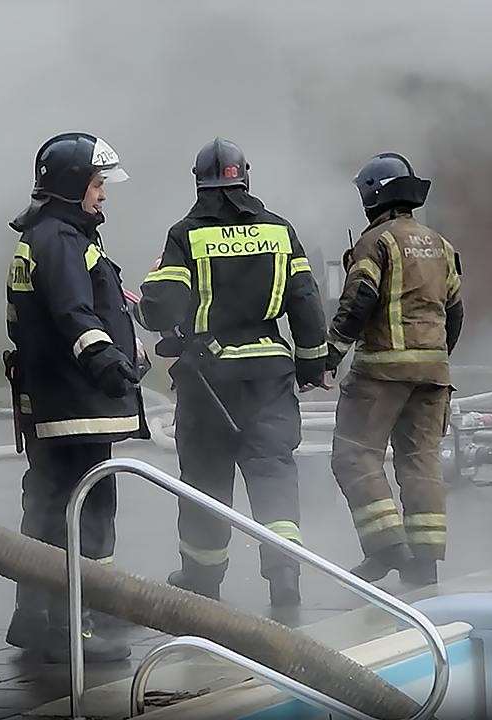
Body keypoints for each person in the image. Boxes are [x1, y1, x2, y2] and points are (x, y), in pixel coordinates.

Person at [137, 138, 328, 608]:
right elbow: (304, 301)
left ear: (197, 180)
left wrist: (153, 283)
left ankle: (203, 581)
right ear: (246, 176)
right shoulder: (280, 231)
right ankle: (285, 576)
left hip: (208, 381)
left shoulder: (186, 234)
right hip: (270, 376)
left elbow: (161, 310)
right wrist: (310, 364)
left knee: (206, 480)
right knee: (273, 476)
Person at [3, 132, 149, 662]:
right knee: (82, 510)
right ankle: (74, 627)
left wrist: (125, 351)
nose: (102, 195)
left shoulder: (51, 235)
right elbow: (73, 314)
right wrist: (108, 363)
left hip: (57, 400)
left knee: (48, 506)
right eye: (96, 183)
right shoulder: (62, 240)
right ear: (71, 186)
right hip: (73, 404)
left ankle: (42, 617)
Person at [326, 151, 464, 586]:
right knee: (422, 461)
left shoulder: (376, 241)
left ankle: (386, 546)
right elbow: (456, 312)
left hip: (381, 374)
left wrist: (331, 353)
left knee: (354, 455)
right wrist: (435, 357)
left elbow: (358, 301)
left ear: (371, 196)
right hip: (434, 375)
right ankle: (424, 562)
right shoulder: (440, 245)